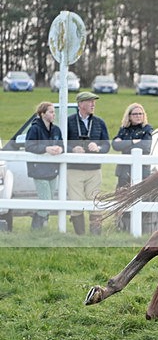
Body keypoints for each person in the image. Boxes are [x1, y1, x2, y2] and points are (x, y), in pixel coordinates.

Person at [67, 91, 110, 235]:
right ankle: (80, 235)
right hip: (74, 169)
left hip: (94, 169)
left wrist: (98, 148)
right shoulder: (69, 121)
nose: (93, 104)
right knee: (76, 202)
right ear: (80, 104)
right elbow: (61, 143)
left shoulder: (99, 122)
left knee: (95, 201)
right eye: (89, 101)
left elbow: (106, 145)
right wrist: (72, 149)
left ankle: (95, 235)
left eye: (94, 102)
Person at [111, 103, 153, 232]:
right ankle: (123, 227)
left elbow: (145, 146)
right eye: (135, 114)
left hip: (142, 172)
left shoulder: (147, 129)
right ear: (129, 116)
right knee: (123, 198)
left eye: (140, 113)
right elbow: (115, 145)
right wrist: (132, 142)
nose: (138, 116)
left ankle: (140, 228)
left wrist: (125, 143)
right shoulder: (123, 129)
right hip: (124, 172)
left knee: (140, 198)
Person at [24, 102, 63, 230]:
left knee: (50, 199)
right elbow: (29, 146)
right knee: (45, 198)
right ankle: (36, 226)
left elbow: (62, 144)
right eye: (51, 112)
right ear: (42, 114)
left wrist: (60, 149)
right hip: (39, 170)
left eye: (54, 112)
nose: (53, 114)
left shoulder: (56, 129)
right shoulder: (34, 129)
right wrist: (46, 148)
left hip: (52, 169)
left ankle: (42, 226)